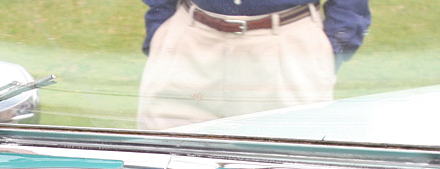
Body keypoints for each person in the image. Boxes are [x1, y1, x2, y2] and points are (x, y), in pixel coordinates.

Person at [137, 0, 371, 129]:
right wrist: (161, 29)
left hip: (288, 43)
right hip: (190, 36)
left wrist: (334, 50)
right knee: (163, 164)